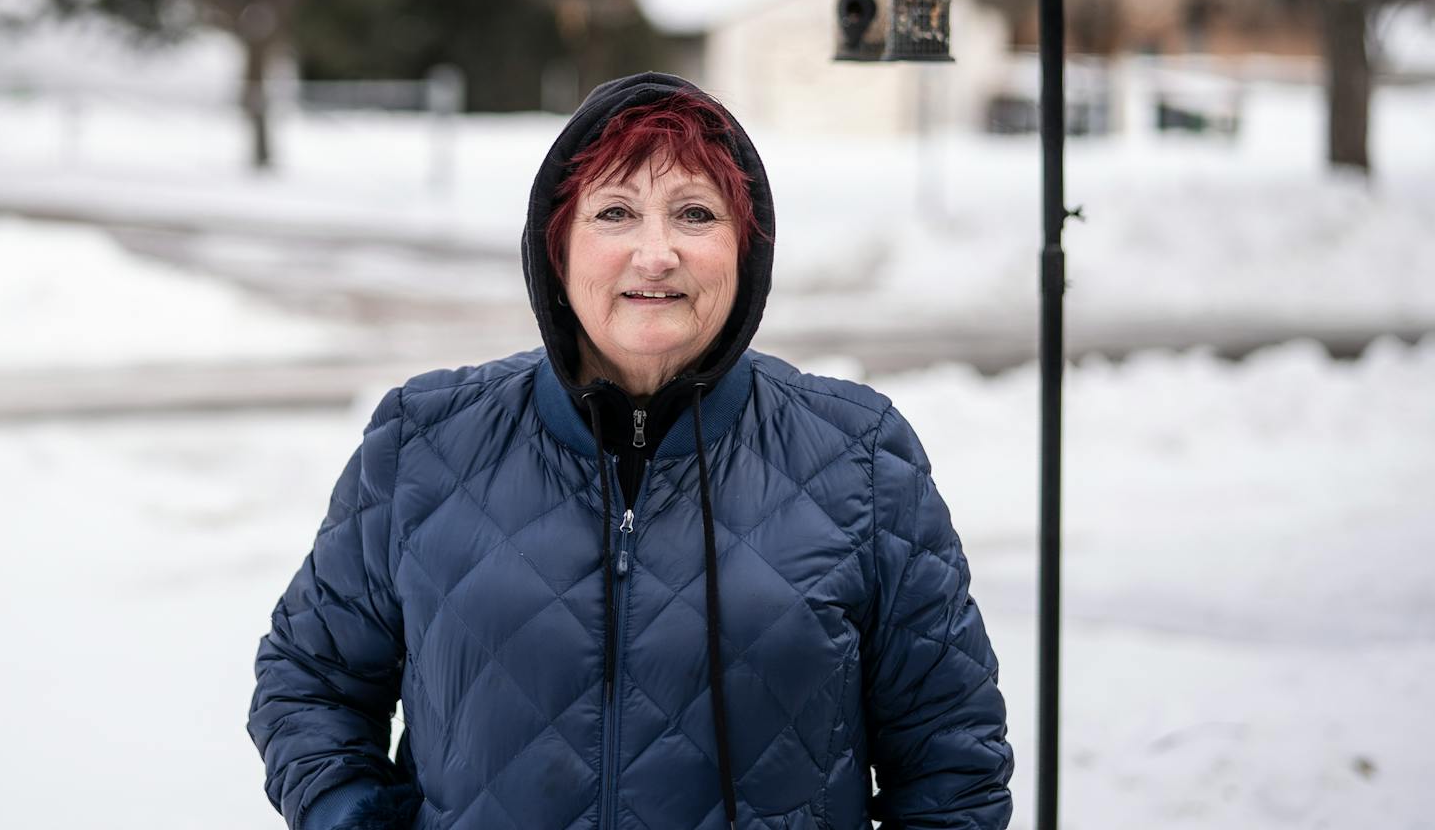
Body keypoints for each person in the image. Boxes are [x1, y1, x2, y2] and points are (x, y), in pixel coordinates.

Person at [249, 72, 1012, 830]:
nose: (656, 254)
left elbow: (952, 761)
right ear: (557, 247)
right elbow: (310, 681)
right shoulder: (426, 441)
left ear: (745, 250)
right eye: (615, 212)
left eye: (695, 214)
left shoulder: (860, 457)